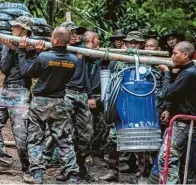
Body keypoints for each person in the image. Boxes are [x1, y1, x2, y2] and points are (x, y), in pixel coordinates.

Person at [21, 27, 79, 184]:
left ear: (54, 40)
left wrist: (26, 52)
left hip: (40, 102)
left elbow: (28, 72)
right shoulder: (74, 60)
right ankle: (72, 175)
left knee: (34, 138)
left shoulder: (44, 56)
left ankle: (37, 174)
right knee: (64, 139)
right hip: (59, 102)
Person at [0, 16, 34, 175]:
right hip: (5, 90)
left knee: (20, 132)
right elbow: (4, 68)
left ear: (25, 30)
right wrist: (10, 50)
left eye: (16, 27)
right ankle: (3, 161)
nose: (12, 29)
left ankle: (29, 167)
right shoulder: (8, 44)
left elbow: (27, 71)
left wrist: (18, 49)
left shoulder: (33, 46)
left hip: (21, 91)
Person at [101, 31, 149, 182]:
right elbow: (110, 84)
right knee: (113, 139)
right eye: (130, 42)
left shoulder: (147, 62)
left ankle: (142, 175)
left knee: (140, 141)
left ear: (142, 44)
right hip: (120, 107)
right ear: (126, 43)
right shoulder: (117, 62)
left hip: (139, 107)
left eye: (136, 43)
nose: (133, 45)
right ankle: (113, 171)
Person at [158, 41, 196, 184]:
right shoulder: (187, 71)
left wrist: (167, 73)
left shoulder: (189, 73)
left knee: (167, 158)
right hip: (184, 123)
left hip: (183, 124)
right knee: (183, 161)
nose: (172, 56)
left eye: (175, 53)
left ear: (185, 55)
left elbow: (168, 93)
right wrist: (168, 109)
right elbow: (179, 96)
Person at [84, 31, 109, 168]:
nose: (99, 41)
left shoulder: (100, 55)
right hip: (88, 95)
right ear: (92, 39)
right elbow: (84, 77)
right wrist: (89, 96)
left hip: (101, 95)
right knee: (86, 126)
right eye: (98, 38)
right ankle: (84, 156)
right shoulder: (83, 55)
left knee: (101, 126)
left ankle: (97, 154)